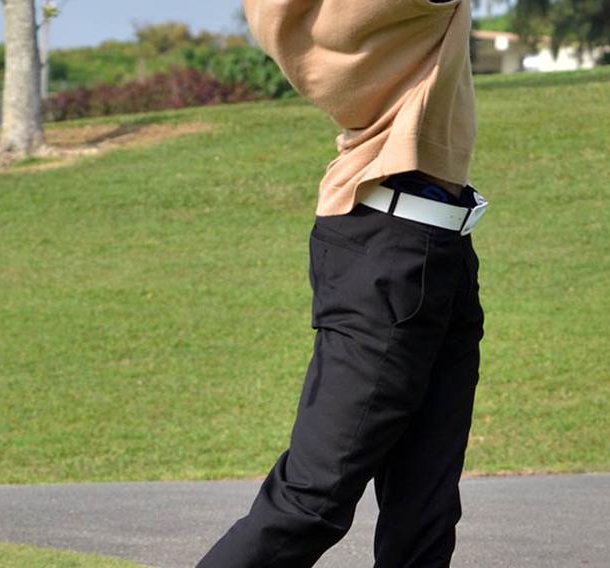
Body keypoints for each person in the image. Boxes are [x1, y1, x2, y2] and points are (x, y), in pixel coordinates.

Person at [196, 0, 487, 566]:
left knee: (425, 507)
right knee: (312, 500)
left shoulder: (327, 20)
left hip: (432, 246)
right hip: (392, 252)